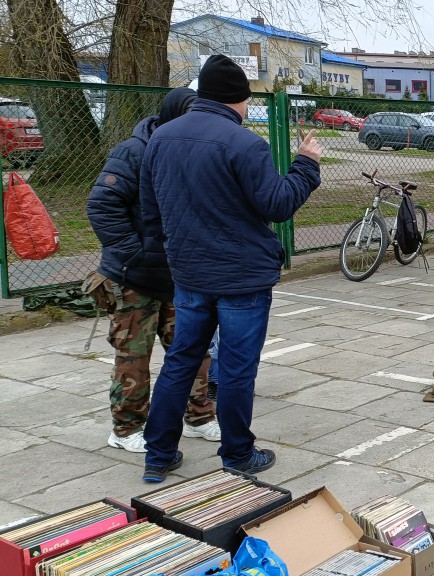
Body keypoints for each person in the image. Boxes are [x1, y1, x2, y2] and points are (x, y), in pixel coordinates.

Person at [138, 55, 323, 482]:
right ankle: (238, 454)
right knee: (238, 367)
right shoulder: (244, 144)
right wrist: (306, 165)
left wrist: (171, 256)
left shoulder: (161, 138)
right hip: (241, 277)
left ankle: (158, 453)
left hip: (188, 272)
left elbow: (152, 212)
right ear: (238, 100)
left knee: (181, 361)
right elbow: (277, 204)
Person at [85, 88, 220, 454]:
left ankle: (200, 417)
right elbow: (102, 205)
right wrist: (137, 253)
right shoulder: (134, 151)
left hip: (181, 277)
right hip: (134, 279)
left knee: (194, 351)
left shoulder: (195, 152)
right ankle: (126, 428)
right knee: (134, 358)